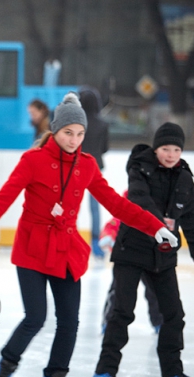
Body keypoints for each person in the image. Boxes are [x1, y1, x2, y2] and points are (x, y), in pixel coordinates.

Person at [0, 93, 177, 377]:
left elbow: (117, 205)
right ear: (55, 131)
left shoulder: (86, 166)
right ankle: (6, 366)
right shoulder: (32, 161)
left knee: (69, 322)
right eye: (68, 133)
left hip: (65, 251)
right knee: (35, 317)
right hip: (32, 249)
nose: (74, 140)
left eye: (80, 134)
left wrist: (154, 226)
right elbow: (1, 201)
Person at [92, 123, 194, 377]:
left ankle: (173, 372)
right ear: (156, 149)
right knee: (122, 311)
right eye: (166, 148)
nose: (171, 154)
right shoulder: (140, 168)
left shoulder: (184, 178)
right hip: (132, 252)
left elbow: (191, 215)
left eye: (176, 149)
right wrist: (162, 227)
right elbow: (139, 199)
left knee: (173, 314)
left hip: (164, 257)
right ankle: (105, 370)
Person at [99, 191, 163, 335]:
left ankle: (160, 322)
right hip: (126, 257)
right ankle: (109, 321)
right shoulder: (127, 202)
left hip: (149, 256)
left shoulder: (156, 203)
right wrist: (108, 236)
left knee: (154, 291)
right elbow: (113, 224)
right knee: (118, 291)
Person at [79, 88, 109, 259]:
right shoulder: (102, 124)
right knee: (94, 208)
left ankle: (69, 238)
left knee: (71, 203)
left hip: (76, 166)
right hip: (95, 168)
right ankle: (96, 243)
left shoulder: (78, 123)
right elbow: (105, 148)